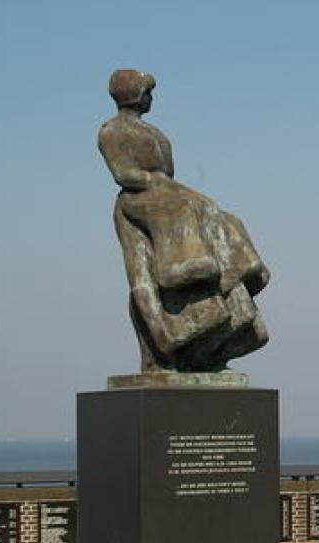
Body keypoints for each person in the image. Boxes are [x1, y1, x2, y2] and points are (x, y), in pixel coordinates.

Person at [99, 69, 270, 372]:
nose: (151, 98)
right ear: (135, 94)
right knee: (182, 215)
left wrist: (177, 190)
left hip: (166, 192)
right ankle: (184, 269)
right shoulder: (112, 130)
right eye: (147, 92)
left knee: (221, 215)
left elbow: (170, 173)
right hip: (139, 199)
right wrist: (157, 182)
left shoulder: (154, 133)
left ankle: (231, 274)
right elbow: (123, 174)